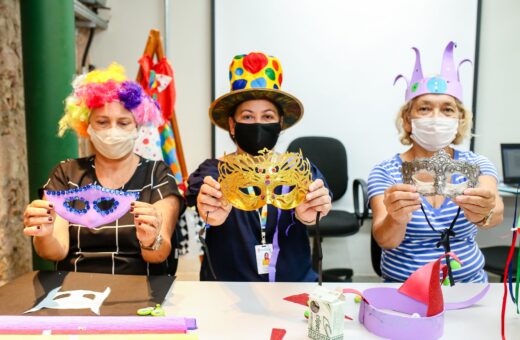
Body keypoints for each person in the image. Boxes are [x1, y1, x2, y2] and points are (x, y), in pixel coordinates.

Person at [22, 63, 183, 275]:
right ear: (87, 126)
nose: (113, 131)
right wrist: (44, 233)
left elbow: (160, 254)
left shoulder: (157, 175)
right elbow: (54, 252)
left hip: (138, 291)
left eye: (123, 122)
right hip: (75, 292)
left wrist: (152, 240)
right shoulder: (66, 174)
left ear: (137, 126)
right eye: (102, 122)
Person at [185, 52, 332, 282]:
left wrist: (310, 214)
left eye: (267, 116)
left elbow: (319, 202)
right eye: (247, 116)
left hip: (291, 289)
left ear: (280, 124)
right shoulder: (213, 172)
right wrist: (210, 213)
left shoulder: (300, 170)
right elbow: (201, 201)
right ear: (232, 125)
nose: (258, 125)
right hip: (228, 293)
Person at [368, 42, 504, 283]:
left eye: (447, 109)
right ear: (407, 120)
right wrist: (396, 217)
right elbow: (385, 240)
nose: (436, 118)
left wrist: (485, 210)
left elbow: (495, 214)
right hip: (405, 290)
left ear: (460, 119)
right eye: (424, 108)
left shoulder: (478, 163)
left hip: (468, 287)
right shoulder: (385, 172)